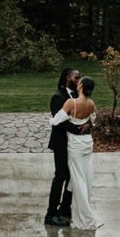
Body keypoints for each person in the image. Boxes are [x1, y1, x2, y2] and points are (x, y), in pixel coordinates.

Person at [50, 76, 103, 230]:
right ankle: (73, 209)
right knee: (85, 177)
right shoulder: (91, 103)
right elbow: (93, 119)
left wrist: (50, 119)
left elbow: (57, 120)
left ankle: (85, 216)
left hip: (75, 146)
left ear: (80, 86)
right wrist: (87, 125)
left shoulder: (71, 103)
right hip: (87, 143)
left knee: (77, 180)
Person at [45, 68, 90, 226]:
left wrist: (88, 124)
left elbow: (88, 113)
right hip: (61, 143)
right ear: (67, 77)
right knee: (60, 176)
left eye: (80, 77)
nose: (79, 80)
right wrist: (79, 129)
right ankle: (50, 214)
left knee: (73, 176)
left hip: (75, 145)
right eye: (76, 77)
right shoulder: (57, 97)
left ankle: (65, 207)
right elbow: (61, 122)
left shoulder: (79, 96)